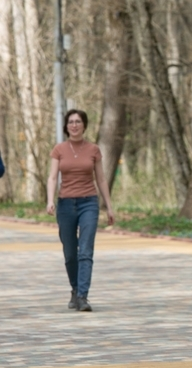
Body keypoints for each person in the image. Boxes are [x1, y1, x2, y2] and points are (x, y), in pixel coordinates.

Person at [46, 109, 115, 312]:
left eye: (78, 122)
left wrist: (109, 207)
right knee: (70, 253)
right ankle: (75, 290)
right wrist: (50, 200)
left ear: (84, 125)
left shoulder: (93, 149)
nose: (74, 125)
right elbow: (52, 177)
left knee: (85, 251)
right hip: (66, 204)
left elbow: (101, 179)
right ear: (66, 126)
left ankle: (83, 296)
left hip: (89, 204)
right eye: (71, 122)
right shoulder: (59, 149)